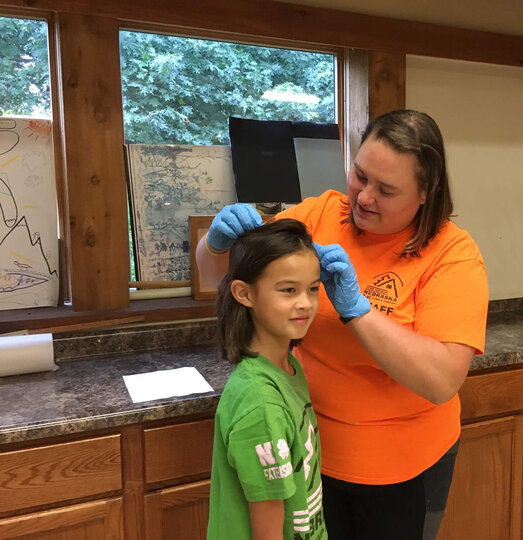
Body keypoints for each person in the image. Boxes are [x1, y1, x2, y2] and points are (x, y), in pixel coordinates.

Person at [198, 110, 489, 539]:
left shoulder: (452, 255)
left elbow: (443, 378)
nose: (364, 197)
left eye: (386, 189)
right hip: (310, 454)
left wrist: (358, 311)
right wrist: (215, 242)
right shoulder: (320, 215)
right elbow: (219, 278)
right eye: (360, 175)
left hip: (405, 469)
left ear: (425, 193)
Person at [207, 219, 328, 540]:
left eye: (313, 289)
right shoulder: (260, 403)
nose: (305, 303)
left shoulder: (288, 368)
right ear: (244, 293)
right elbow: (268, 527)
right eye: (288, 290)